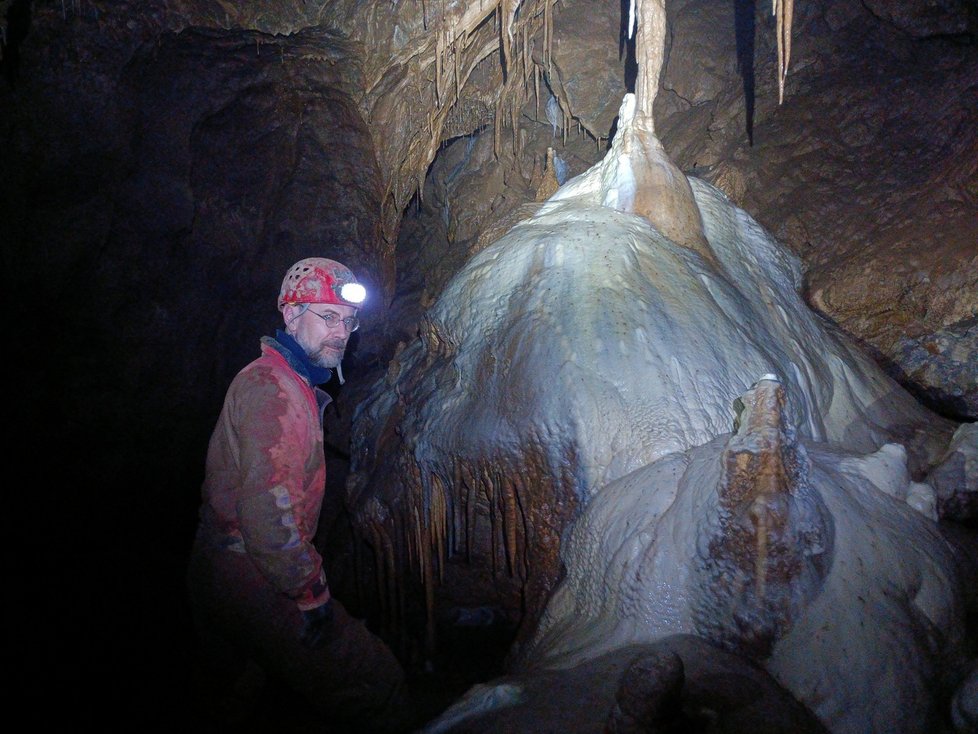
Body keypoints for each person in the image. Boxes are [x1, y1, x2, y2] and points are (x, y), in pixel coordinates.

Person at [187, 257, 412, 733]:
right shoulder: (275, 389)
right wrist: (310, 595)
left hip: (224, 569)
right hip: (255, 572)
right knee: (375, 682)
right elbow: (271, 516)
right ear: (291, 315)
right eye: (328, 317)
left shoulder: (285, 383)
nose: (342, 331)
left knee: (236, 697)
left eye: (349, 322)